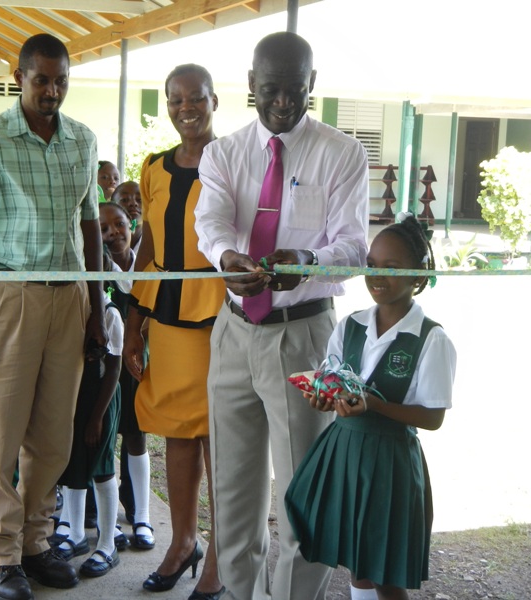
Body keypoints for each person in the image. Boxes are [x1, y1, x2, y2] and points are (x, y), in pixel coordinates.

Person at [193, 32, 369, 600]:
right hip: (234, 333)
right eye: (271, 90)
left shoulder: (342, 153)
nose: (284, 103)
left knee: (303, 496)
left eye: (296, 90)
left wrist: (310, 261)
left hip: (302, 337)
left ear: (312, 84)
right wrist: (226, 257)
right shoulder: (223, 154)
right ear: (250, 85)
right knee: (233, 493)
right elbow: (211, 221)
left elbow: (353, 248)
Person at [0, 33, 106, 600]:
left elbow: (91, 227)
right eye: (41, 79)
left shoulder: (82, 141)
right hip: (7, 298)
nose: (52, 90)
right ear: (20, 78)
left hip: (71, 300)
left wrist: (97, 307)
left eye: (61, 79)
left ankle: (35, 543)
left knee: (53, 436)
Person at [285, 215, 457, 599]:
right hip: (344, 452)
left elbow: (433, 417)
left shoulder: (430, 339)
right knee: (356, 560)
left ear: (419, 277)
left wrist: (374, 406)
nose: (377, 276)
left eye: (392, 268)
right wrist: (322, 397)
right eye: (372, 266)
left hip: (389, 462)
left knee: (385, 569)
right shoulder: (351, 325)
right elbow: (332, 382)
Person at [123, 63, 225, 600]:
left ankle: (222, 556)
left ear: (214, 100)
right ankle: (183, 542)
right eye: (176, 99)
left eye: (197, 98)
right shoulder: (154, 168)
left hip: (219, 315)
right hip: (164, 315)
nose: (186, 108)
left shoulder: (235, 161)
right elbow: (147, 248)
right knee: (177, 432)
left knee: (219, 437)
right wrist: (134, 325)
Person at [54, 268, 123, 577]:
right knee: (72, 464)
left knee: (102, 468)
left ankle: (107, 544)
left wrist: (96, 418)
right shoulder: (71, 310)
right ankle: (76, 535)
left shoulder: (110, 315)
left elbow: (113, 371)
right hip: (73, 397)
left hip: (101, 401)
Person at [96, 201, 153, 543]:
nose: (113, 233)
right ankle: (104, 520)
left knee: (136, 436)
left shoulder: (145, 268)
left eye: (119, 225)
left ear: (131, 225)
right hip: (104, 371)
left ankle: (142, 517)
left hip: (136, 366)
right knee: (100, 439)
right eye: (103, 229)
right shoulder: (98, 273)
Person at [111, 181, 143, 251]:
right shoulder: (105, 242)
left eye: (139, 200)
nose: (133, 203)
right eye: (124, 200)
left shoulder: (157, 241)